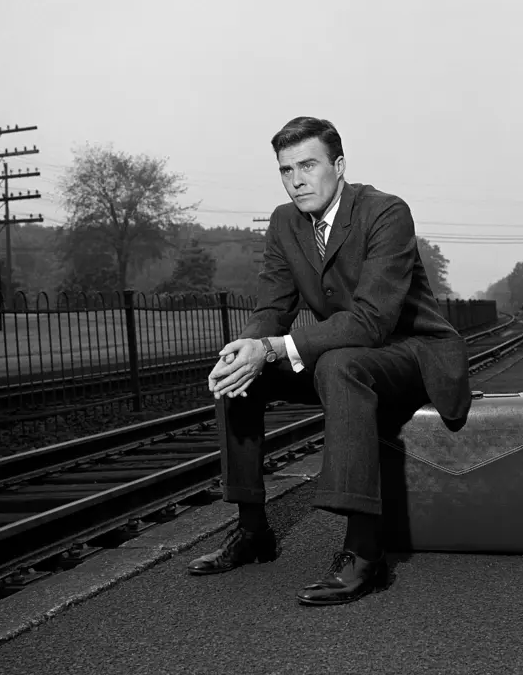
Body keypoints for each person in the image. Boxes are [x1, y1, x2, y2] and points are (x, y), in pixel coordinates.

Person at [188, 116, 471, 606]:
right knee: (243, 374)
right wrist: (249, 346)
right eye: (285, 169)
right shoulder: (284, 221)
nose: (296, 179)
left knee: (339, 365)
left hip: (409, 351)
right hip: (338, 353)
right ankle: (252, 530)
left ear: (338, 166)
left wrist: (276, 348)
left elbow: (371, 320)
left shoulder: (386, 212)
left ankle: (364, 553)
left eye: (308, 165)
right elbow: (272, 309)